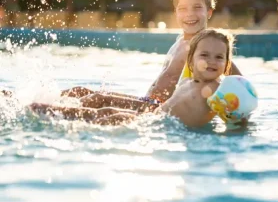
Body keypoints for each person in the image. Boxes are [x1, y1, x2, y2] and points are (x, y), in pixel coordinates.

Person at [59, 0, 241, 110]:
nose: (189, 14)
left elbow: (236, 78)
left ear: (209, 12)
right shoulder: (181, 40)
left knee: (97, 101)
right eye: (183, 8)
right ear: (175, 12)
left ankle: (55, 116)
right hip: (147, 101)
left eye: (197, 7)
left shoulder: (203, 46)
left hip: (159, 109)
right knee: (79, 92)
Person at [29, 28, 234, 128]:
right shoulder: (191, 80)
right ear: (192, 59)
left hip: (160, 125)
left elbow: (237, 110)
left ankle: (46, 113)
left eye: (219, 57)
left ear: (226, 64)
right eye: (205, 55)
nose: (211, 62)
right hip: (156, 113)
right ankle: (50, 107)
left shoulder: (218, 88)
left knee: (110, 115)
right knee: (104, 104)